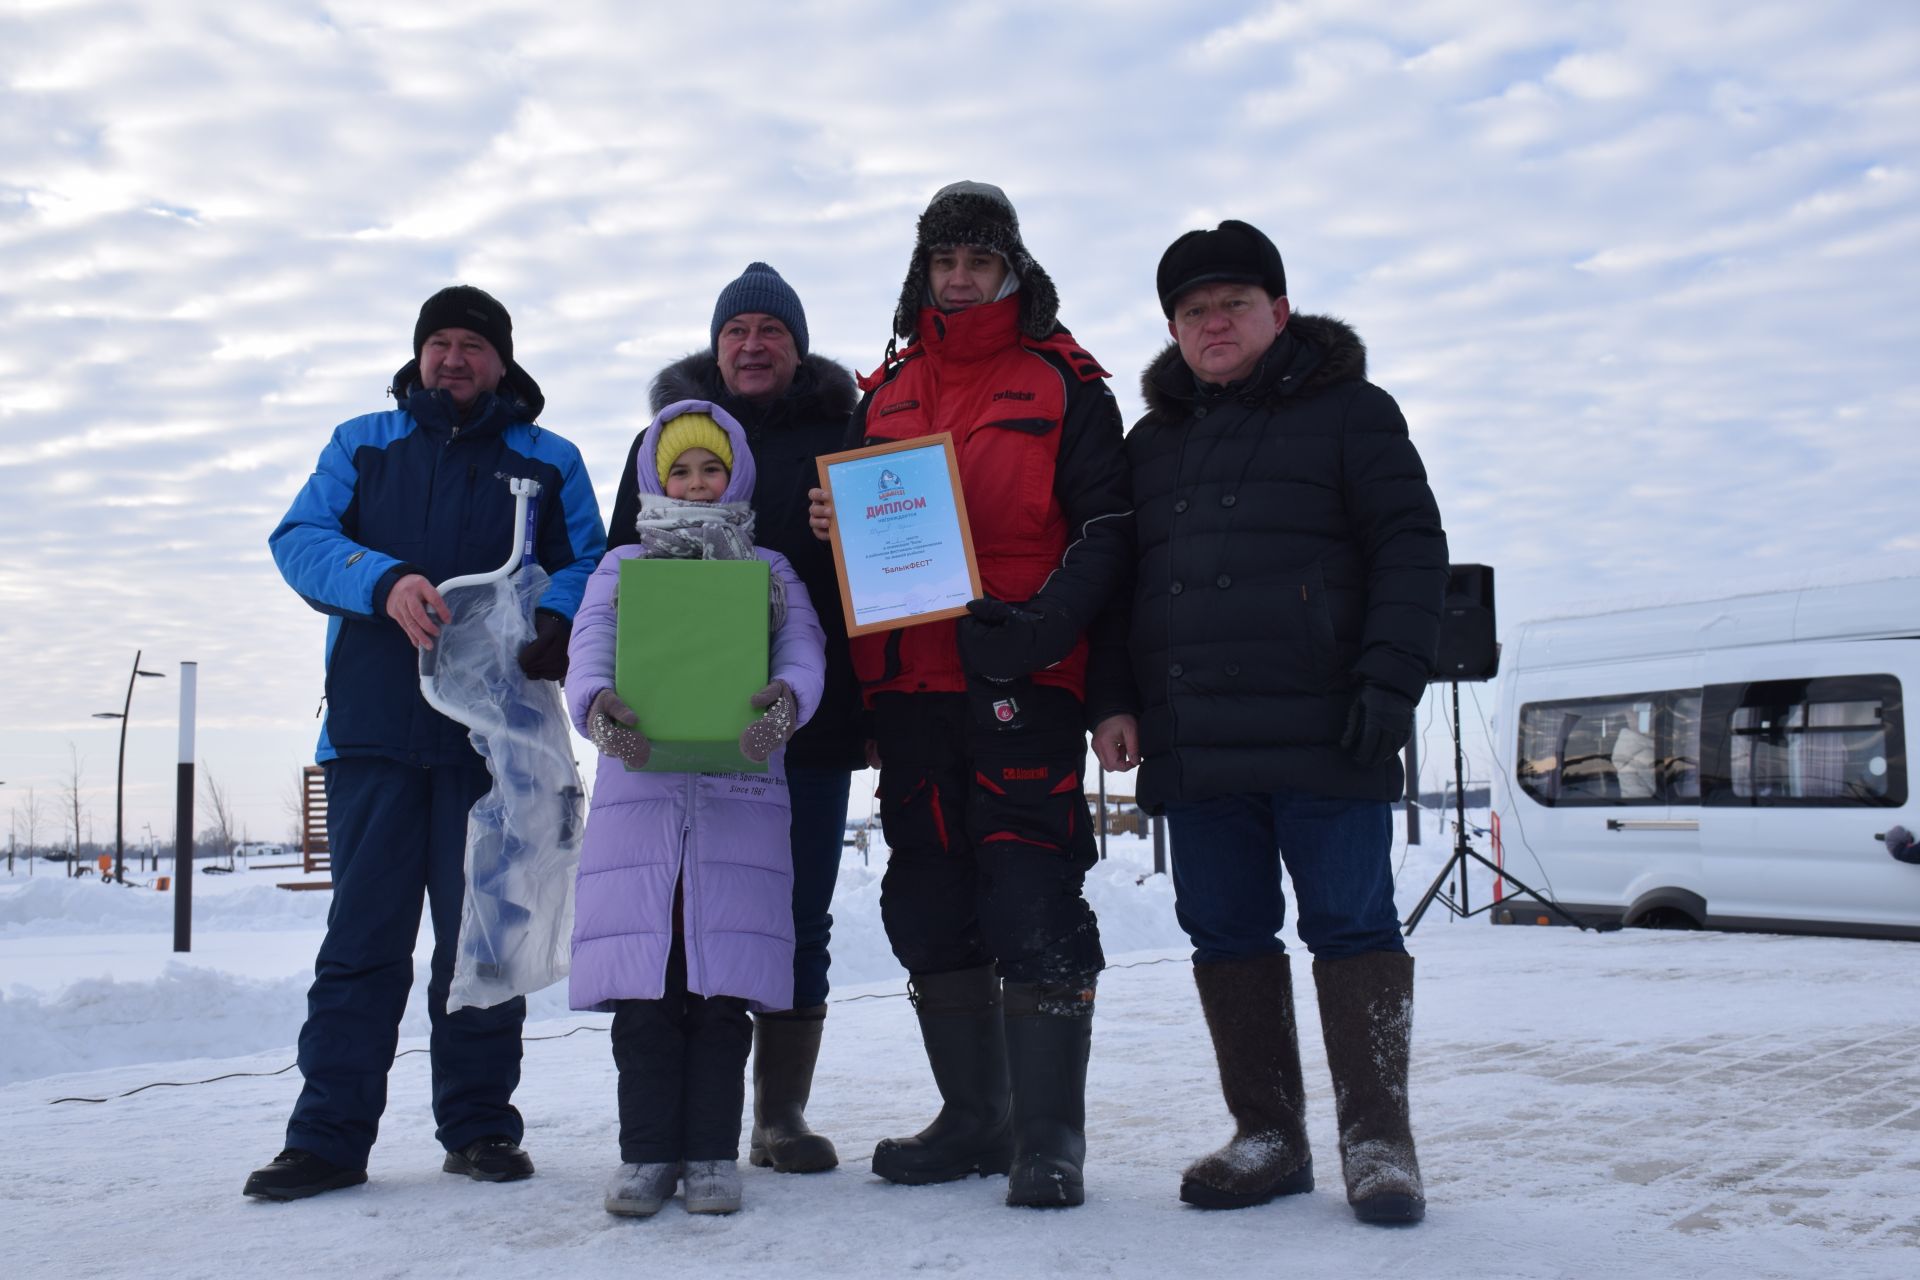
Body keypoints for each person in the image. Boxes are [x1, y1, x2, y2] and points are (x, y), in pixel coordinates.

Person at [1089, 221, 1448, 1225]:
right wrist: (1112, 698)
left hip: (1329, 730)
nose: (1214, 322)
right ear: (1173, 326)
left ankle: (1379, 1141)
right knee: (1228, 933)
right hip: (1198, 741)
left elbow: (1411, 549)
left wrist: (1390, 677)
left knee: (1354, 927)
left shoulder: (1353, 412)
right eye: (1194, 310)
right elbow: (1119, 588)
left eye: (1233, 304)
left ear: (1279, 312)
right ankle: (1270, 1134)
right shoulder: (1150, 444)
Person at [808, 181, 1132, 1208]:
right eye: (944, 260)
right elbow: (862, 546)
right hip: (909, 686)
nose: (960, 276)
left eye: (978, 260)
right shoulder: (886, 393)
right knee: (926, 895)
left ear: (1012, 269)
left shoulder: (1064, 381)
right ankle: (976, 1118)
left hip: (1022, 675)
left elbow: (1109, 531)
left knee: (1030, 890)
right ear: (924, 272)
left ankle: (1049, 1137)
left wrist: (1046, 629)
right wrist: (834, 518)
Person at [252, 285, 606, 1201]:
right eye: (438, 343)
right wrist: (385, 581)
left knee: (482, 941)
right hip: (372, 734)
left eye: (472, 346)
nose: (453, 359)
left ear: (503, 361)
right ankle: (326, 1139)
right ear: (418, 355)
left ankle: (481, 1127)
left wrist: (557, 621)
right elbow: (300, 539)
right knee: (361, 944)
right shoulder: (361, 444)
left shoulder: (549, 459)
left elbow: (588, 563)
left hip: (493, 745)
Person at [605, 264, 862, 1174]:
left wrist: (849, 537)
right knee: (686, 917)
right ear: (716, 348)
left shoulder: (849, 434)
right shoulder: (665, 439)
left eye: (772, 331)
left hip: (808, 722)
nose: (753, 345)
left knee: (797, 915)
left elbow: (889, 565)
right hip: (677, 732)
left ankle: (778, 1116)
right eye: (736, 331)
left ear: (798, 345)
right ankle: (681, 1118)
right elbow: (621, 581)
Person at [568, 403, 826, 1217]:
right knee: (647, 997)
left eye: (710, 467)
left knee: (718, 997)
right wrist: (598, 708)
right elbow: (589, 650)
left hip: (737, 806)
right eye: (679, 469)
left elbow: (803, 651)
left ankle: (713, 1154)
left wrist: (787, 702)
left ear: (737, 474)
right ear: (653, 477)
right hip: (640, 807)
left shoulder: (772, 570)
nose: (695, 481)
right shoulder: (622, 566)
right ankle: (646, 1156)